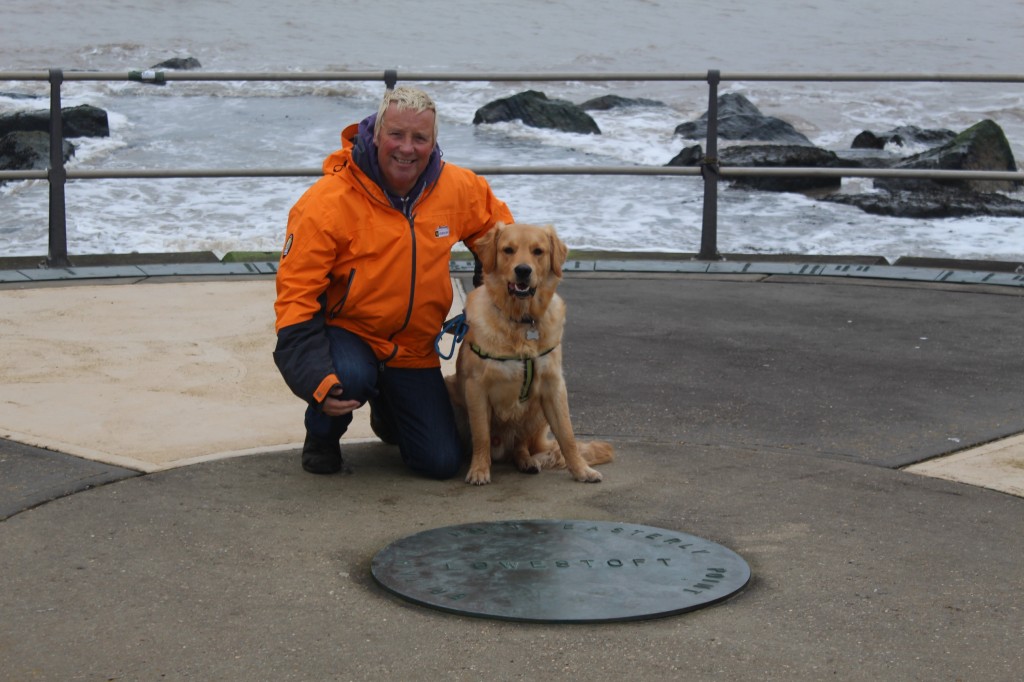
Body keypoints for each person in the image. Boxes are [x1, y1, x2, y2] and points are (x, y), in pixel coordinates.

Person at [274, 86, 514, 479]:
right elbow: (295, 300)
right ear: (375, 135)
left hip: (414, 350)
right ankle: (322, 436)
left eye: (420, 138)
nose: (407, 148)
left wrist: (490, 302)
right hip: (351, 337)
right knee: (346, 378)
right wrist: (313, 377)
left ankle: (388, 408)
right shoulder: (325, 203)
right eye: (396, 135)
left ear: (434, 142)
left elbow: (503, 238)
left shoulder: (459, 188)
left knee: (440, 463)